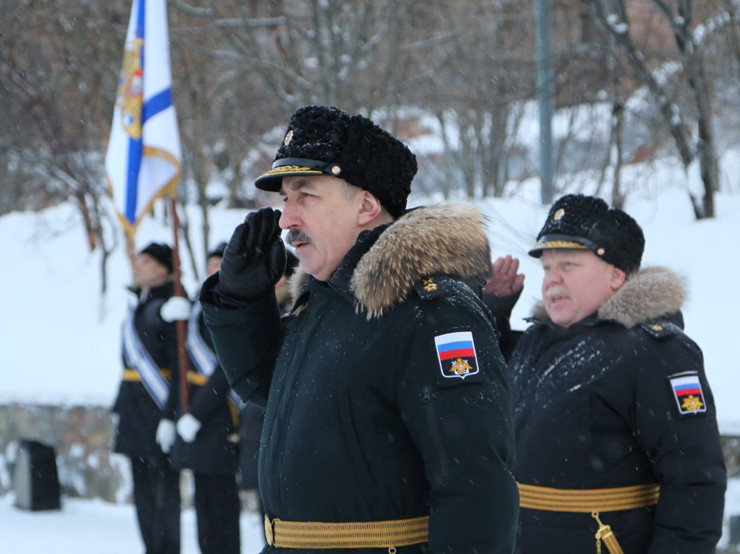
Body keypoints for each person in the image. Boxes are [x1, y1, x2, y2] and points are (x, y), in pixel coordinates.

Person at [199, 104, 518, 553]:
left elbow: (476, 489)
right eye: (284, 200)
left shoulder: (432, 312)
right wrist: (241, 301)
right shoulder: (326, 301)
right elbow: (263, 386)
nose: (287, 219)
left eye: (305, 196)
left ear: (366, 205)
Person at [485, 194, 726, 553]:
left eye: (568, 265)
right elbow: (478, 386)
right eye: (547, 268)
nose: (552, 280)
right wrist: (492, 315)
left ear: (616, 275)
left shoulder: (656, 352)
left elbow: (695, 482)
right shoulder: (537, 340)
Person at [112, 242, 184, 554]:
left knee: (163, 494)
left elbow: (180, 368)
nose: (137, 265)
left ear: (163, 268)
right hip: (134, 411)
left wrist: (171, 416)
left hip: (158, 412)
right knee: (142, 494)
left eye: (145, 260)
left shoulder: (174, 304)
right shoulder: (140, 302)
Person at [170, 242, 241, 554]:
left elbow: (226, 369)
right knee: (203, 502)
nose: (214, 268)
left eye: (220, 263)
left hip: (220, 412)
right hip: (196, 415)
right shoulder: (198, 305)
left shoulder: (235, 303)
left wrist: (196, 415)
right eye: (210, 263)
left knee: (222, 504)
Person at [238, 249, 298, 522]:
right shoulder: (260, 313)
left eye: (280, 275)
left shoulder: (296, 314)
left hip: (288, 425)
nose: (274, 283)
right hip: (261, 424)